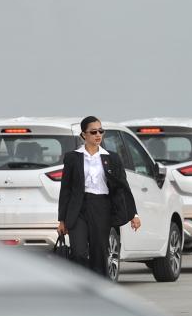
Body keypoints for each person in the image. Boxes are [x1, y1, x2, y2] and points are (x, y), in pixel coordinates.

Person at [58, 116, 141, 277]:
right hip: (78, 209)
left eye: (101, 131)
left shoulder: (112, 158)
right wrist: (61, 220)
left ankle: (98, 287)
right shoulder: (72, 157)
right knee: (79, 252)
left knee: (99, 252)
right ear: (84, 135)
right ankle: (82, 283)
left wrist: (134, 214)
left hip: (101, 207)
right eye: (93, 131)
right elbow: (66, 189)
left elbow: (123, 187)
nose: (98, 135)